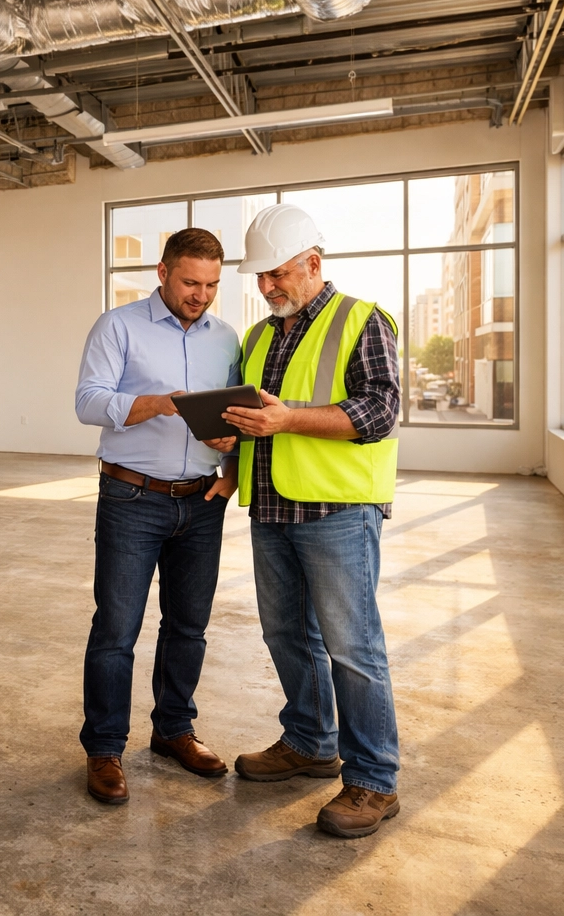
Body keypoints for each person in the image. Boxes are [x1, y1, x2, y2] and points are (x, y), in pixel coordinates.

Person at [217, 203, 403, 839]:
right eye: (260, 278)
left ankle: (374, 780)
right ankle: (310, 742)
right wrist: (230, 441)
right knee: (285, 635)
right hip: (271, 506)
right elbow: (257, 416)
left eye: (276, 274)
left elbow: (378, 412)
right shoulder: (260, 336)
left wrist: (287, 419)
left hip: (337, 511)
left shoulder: (363, 321)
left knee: (353, 648)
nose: (267, 287)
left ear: (312, 264)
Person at [73, 228, 241, 805]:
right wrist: (165, 402)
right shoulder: (117, 326)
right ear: (163, 273)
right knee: (117, 630)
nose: (201, 295)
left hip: (202, 501)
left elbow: (238, 415)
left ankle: (174, 731)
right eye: (191, 282)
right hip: (131, 499)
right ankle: (104, 748)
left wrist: (230, 460)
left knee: (188, 626)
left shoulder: (228, 338)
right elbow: (88, 402)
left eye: (213, 285)